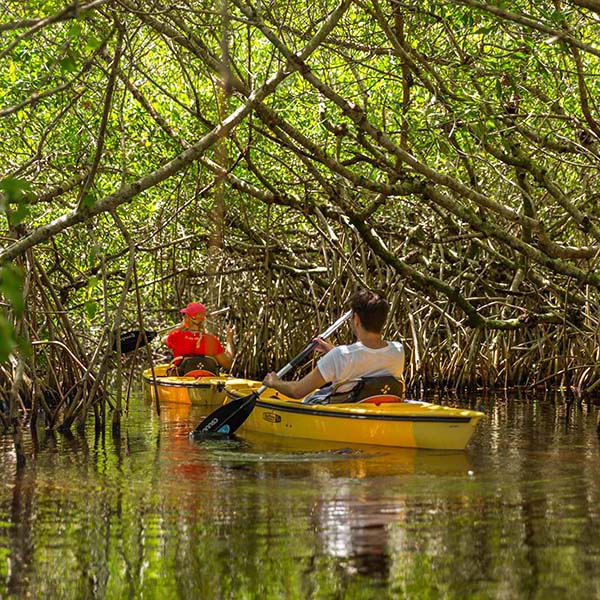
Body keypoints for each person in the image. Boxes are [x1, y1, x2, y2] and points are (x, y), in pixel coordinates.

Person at [262, 289, 404, 402]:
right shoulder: (398, 350)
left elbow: (297, 391)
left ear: (356, 319)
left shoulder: (340, 356)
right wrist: (332, 352)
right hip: (376, 410)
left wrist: (274, 382)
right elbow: (367, 360)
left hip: (345, 412)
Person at [162, 302, 234, 371]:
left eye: (185, 315)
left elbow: (163, 339)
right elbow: (228, 364)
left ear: (187, 319)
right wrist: (229, 339)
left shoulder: (176, 336)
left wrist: (181, 327)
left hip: (183, 380)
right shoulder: (211, 340)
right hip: (206, 381)